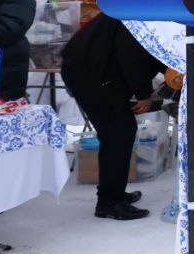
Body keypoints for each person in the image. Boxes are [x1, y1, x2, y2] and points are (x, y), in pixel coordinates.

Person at [62, 12, 167, 220]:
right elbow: (132, 55)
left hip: (93, 67)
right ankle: (109, 203)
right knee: (118, 131)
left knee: (119, 131)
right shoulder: (143, 16)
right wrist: (144, 94)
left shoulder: (141, 6)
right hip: (91, 72)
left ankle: (113, 193)